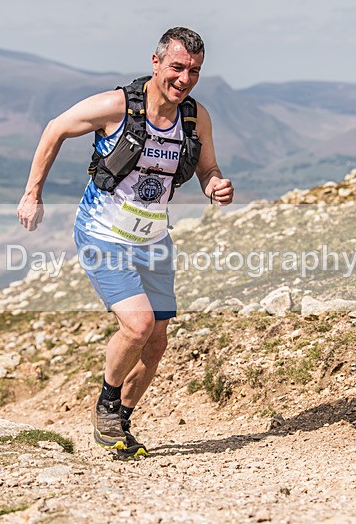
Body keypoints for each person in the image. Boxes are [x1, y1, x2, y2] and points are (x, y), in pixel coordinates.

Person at [18, 27, 234, 458]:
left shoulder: (195, 117)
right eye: (177, 67)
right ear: (155, 63)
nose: (184, 78)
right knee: (137, 325)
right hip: (103, 233)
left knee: (156, 341)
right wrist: (32, 193)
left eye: (194, 71)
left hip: (153, 238)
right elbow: (55, 128)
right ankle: (106, 404)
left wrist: (215, 186)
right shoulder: (117, 106)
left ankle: (119, 424)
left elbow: (208, 169)